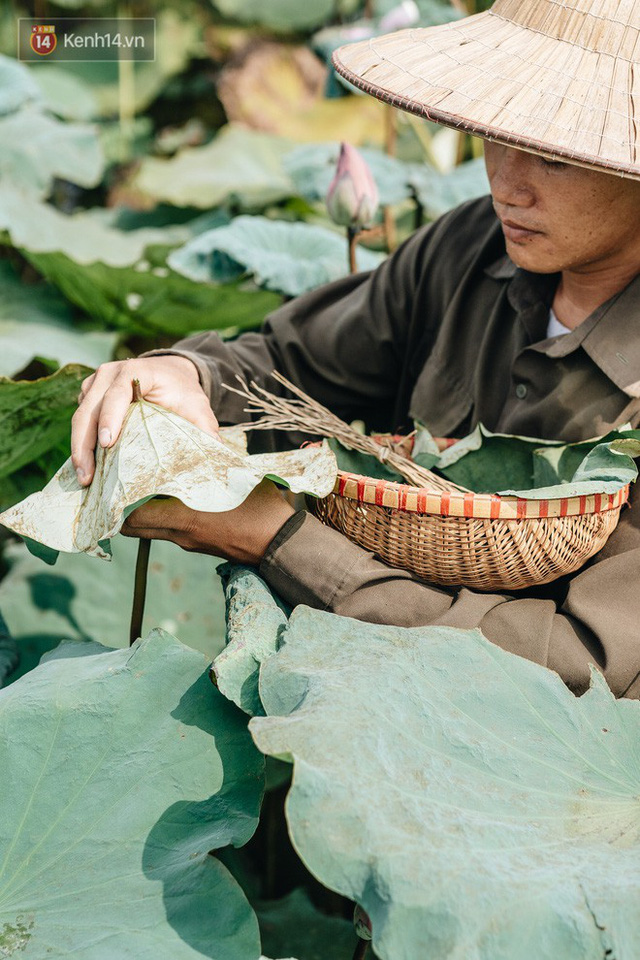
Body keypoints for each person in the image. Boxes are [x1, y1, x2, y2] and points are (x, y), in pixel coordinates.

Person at [71, 0, 640, 699]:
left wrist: (275, 540)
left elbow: (577, 666)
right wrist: (184, 375)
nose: (506, 182)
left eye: (554, 156)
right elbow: (288, 366)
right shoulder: (471, 246)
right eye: (497, 134)